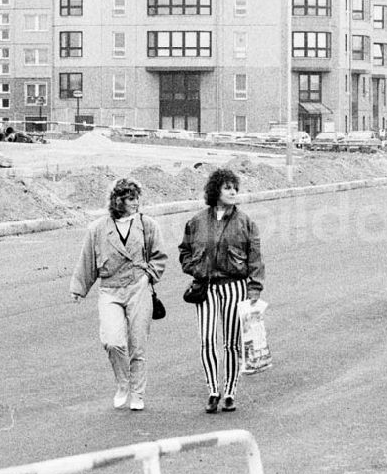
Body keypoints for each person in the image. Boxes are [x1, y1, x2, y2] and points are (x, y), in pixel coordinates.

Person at [70, 178, 167, 412]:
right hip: (110, 288)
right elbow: (88, 261)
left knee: (138, 344)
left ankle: (138, 392)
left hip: (138, 287)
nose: (136, 203)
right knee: (112, 342)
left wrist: (148, 276)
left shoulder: (147, 225)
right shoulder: (97, 229)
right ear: (118, 200)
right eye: (131, 198)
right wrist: (79, 288)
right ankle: (123, 384)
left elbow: (159, 256)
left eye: (137, 198)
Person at [179, 168, 265, 414]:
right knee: (206, 339)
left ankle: (230, 392)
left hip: (235, 286)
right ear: (215, 190)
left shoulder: (246, 222)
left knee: (231, 343)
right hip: (205, 287)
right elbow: (184, 250)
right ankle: (213, 390)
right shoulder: (196, 222)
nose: (233, 192)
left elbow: (256, 258)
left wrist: (254, 289)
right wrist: (194, 268)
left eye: (235, 188)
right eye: (227, 188)